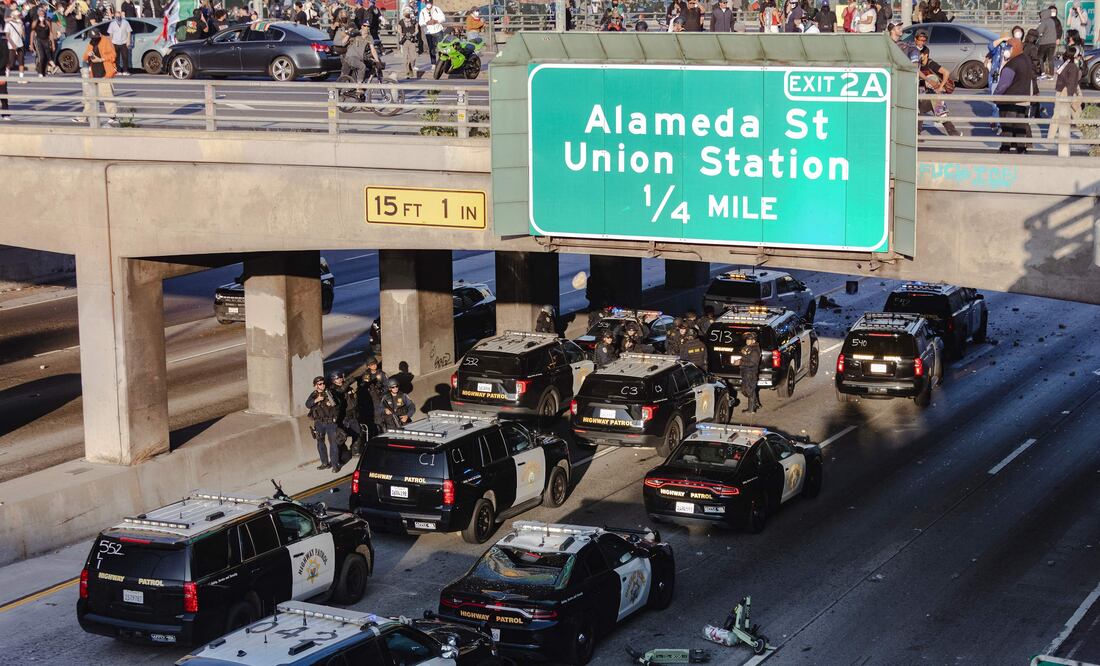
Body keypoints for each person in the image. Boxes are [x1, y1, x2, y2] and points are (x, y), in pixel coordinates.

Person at [994, 38, 1035, 153]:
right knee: (1020, 125)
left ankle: (1005, 148)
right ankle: (1021, 148)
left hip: (1009, 100)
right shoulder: (1026, 59)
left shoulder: (1012, 64)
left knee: (1007, 125)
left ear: (1014, 48)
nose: (1007, 50)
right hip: (1023, 99)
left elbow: (1004, 84)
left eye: (1009, 48)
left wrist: (995, 96)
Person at [74, 28, 118, 125]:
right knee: (90, 97)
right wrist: (89, 55)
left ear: (99, 35)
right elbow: (84, 57)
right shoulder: (91, 42)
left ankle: (113, 116)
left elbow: (113, 55)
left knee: (107, 95)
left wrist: (101, 59)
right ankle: (84, 117)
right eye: (93, 38)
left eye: (96, 38)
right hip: (94, 73)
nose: (94, 40)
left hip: (105, 73)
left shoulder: (106, 41)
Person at [918, 46, 962, 136]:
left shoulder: (931, 64)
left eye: (920, 54)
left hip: (933, 93)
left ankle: (953, 133)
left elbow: (946, 72)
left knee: (932, 112)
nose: (918, 55)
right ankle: (953, 133)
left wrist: (940, 87)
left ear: (925, 55)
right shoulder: (918, 64)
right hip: (924, 93)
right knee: (922, 111)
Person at [306, 376, 343, 472]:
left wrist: (332, 406)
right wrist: (316, 400)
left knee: (333, 444)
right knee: (320, 443)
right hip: (319, 422)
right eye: (320, 384)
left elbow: (338, 405)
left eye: (323, 383)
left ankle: (335, 465)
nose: (322, 385)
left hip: (330, 422)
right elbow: (307, 404)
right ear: (315, 386)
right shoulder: (314, 394)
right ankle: (324, 463)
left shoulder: (329, 392)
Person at [1048, 45, 1080, 146]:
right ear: (1074, 56)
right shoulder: (1073, 67)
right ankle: (1090, 137)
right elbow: (1071, 83)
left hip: (1060, 91)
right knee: (1078, 115)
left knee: (1056, 116)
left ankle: (1050, 138)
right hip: (1068, 93)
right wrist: (1071, 97)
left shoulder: (1064, 64)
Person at [330, 370, 366, 455]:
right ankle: (340, 452)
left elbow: (354, 400)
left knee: (358, 433)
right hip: (343, 417)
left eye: (340, 378)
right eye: (337, 378)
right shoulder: (334, 390)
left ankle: (355, 450)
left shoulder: (348, 388)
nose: (340, 380)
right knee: (342, 436)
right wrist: (350, 380)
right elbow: (341, 390)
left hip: (353, 415)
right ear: (334, 380)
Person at [362, 356, 388, 437]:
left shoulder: (381, 374)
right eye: (372, 365)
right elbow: (363, 386)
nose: (374, 366)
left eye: (375, 364)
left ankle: (385, 434)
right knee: (375, 421)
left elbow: (387, 386)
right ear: (368, 366)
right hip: (371, 400)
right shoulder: (366, 375)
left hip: (380, 399)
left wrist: (381, 391)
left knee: (383, 419)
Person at [737, 332, 761, 413]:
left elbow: (752, 363)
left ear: (753, 341)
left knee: (748, 390)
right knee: (747, 390)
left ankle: (751, 409)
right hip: (745, 371)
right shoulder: (747, 347)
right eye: (747, 339)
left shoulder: (755, 351)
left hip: (750, 373)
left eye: (749, 340)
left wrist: (740, 362)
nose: (747, 341)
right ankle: (755, 405)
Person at [418, 0, 445, 65]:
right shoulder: (423, 11)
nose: (428, 4)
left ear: (432, 3)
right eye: (427, 3)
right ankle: (433, 63)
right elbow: (420, 22)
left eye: (429, 3)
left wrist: (436, 21)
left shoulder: (437, 9)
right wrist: (427, 22)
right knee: (431, 48)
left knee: (441, 47)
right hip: (429, 32)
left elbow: (443, 18)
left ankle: (442, 62)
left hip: (438, 30)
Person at [1036, 5, 1059, 78]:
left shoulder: (1044, 21)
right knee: (1050, 58)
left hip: (1044, 42)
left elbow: (1038, 32)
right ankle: (1051, 74)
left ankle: (1042, 72)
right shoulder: (1052, 21)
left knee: (1039, 57)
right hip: (1052, 43)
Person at [397, 8, 420, 78]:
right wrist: (402, 34)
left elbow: (417, 30)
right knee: (405, 57)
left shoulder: (414, 21)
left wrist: (413, 34)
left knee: (413, 57)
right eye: (406, 13)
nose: (407, 15)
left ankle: (411, 66)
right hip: (404, 41)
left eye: (408, 13)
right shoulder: (401, 22)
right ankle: (407, 73)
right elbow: (399, 30)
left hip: (412, 40)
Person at [5, 7, 27, 79]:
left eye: (19, 15)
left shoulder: (21, 23)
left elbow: (23, 35)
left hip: (20, 44)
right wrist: (13, 44)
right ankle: (7, 70)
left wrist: (22, 27)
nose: (19, 16)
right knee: (12, 62)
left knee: (21, 61)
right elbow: (8, 36)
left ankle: (21, 78)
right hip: (12, 46)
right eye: (17, 15)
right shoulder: (8, 24)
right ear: (13, 16)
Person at [31, 7, 52, 77]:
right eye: (40, 12)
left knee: (46, 56)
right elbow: (32, 33)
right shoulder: (35, 22)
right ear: (38, 14)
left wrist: (53, 43)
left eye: (43, 12)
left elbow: (50, 33)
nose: (42, 13)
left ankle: (43, 71)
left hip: (46, 40)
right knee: (41, 56)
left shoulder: (47, 22)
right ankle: (40, 71)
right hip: (38, 40)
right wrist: (31, 44)